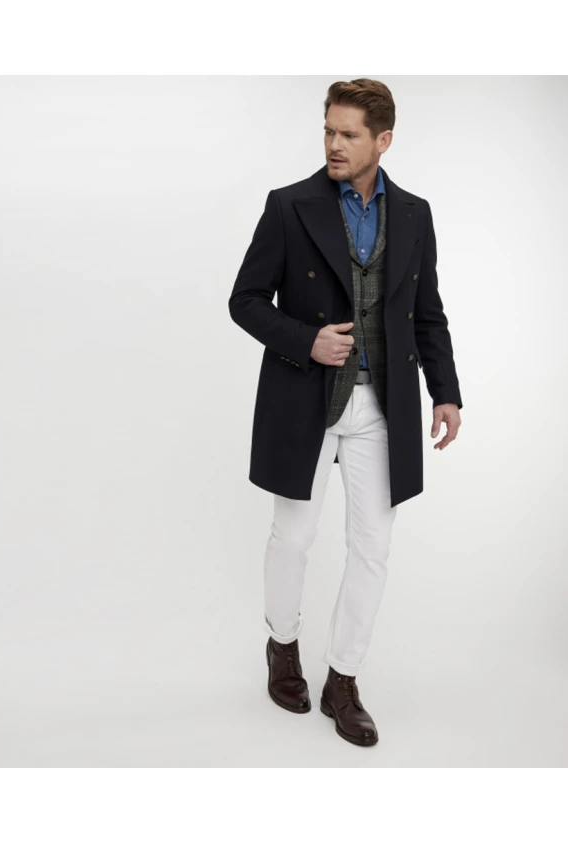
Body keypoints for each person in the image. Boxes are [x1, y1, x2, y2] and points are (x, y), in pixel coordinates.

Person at [228, 78, 463, 747]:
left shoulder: (413, 214)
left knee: (373, 549)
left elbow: (426, 312)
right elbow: (245, 300)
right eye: (328, 130)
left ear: (382, 140)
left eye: (348, 134)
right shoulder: (289, 205)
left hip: (383, 404)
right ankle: (282, 646)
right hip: (307, 400)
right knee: (293, 539)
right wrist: (306, 340)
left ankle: (343, 679)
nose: (333, 143)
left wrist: (445, 392)